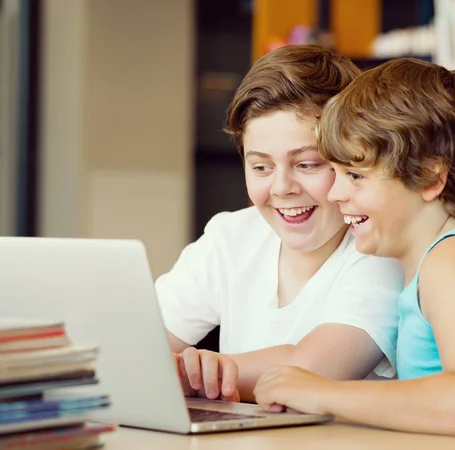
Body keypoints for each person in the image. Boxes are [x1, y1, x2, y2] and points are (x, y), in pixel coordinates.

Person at [253, 58, 455, 438]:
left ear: (429, 177)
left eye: (356, 175)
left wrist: (323, 393)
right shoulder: (429, 264)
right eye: (336, 173)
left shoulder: (453, 258)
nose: (336, 193)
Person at [155, 45, 404, 403]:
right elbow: (141, 345)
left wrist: (202, 375)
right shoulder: (231, 237)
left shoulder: (381, 250)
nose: (282, 188)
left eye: (307, 164)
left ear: (354, 158)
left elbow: (309, 370)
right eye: (261, 167)